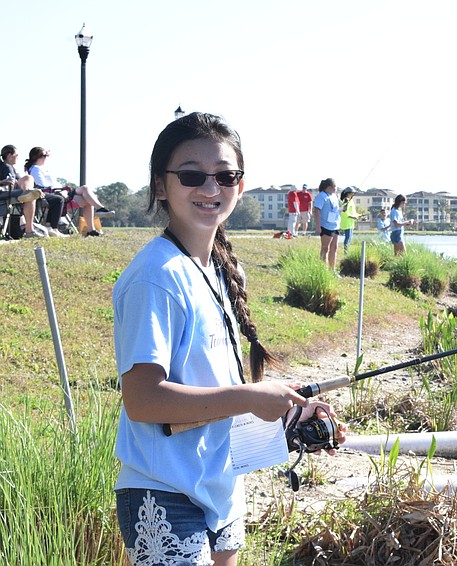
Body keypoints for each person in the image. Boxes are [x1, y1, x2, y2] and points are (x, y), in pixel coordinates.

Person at [111, 112, 346, 566]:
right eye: (191, 175)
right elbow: (142, 400)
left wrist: (289, 411)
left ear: (240, 185)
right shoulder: (155, 276)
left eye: (225, 175)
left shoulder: (223, 268)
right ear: (160, 186)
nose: (210, 187)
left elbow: (215, 387)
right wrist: (249, 397)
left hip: (222, 483)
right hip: (165, 491)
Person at [25, 146, 115, 237]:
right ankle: (100, 209)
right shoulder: (35, 169)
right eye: (45, 156)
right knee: (85, 188)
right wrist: (62, 191)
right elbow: (43, 186)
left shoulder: (42, 168)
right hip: (55, 193)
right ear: (38, 157)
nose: (46, 158)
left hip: (60, 191)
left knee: (88, 199)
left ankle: (91, 230)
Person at [313, 178, 340, 268]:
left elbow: (336, 209)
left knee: (334, 248)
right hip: (326, 225)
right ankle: (323, 269)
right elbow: (316, 210)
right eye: (335, 186)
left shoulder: (334, 196)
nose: (336, 188)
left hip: (335, 225)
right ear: (329, 187)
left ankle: (332, 269)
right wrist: (318, 226)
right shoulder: (321, 196)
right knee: (325, 248)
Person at [339, 187, 367, 252]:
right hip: (347, 222)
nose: (353, 194)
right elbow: (345, 212)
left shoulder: (351, 201)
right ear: (348, 193)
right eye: (352, 193)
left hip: (351, 223)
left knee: (349, 238)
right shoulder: (346, 201)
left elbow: (353, 212)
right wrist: (353, 217)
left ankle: (347, 251)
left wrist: (359, 215)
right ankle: (346, 252)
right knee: (348, 238)